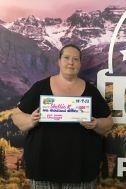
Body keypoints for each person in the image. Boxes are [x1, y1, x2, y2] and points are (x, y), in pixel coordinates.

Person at [11, 44, 113, 189]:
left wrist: (96, 123)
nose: (71, 62)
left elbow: (108, 122)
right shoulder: (40, 87)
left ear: (80, 63)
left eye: (75, 59)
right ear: (59, 61)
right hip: (43, 166)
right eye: (66, 57)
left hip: (81, 169)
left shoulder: (91, 91)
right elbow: (16, 116)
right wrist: (30, 120)